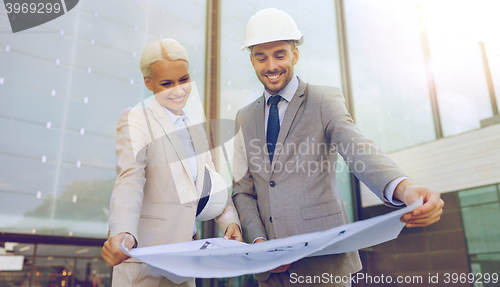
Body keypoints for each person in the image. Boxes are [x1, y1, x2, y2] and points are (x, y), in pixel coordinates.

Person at [232, 8, 444, 287]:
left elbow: (357, 148)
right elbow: (244, 190)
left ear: (295, 54)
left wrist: (404, 188)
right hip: (270, 271)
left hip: (324, 262)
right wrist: (259, 243)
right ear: (252, 60)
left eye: (280, 55)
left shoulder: (323, 99)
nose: (271, 66)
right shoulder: (244, 118)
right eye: (262, 57)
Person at [102, 38, 242, 287]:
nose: (178, 90)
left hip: (184, 268)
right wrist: (122, 231)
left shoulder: (196, 130)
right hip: (144, 264)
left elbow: (211, 184)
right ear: (148, 82)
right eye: (167, 83)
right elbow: (130, 179)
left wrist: (230, 221)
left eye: (184, 80)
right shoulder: (136, 119)